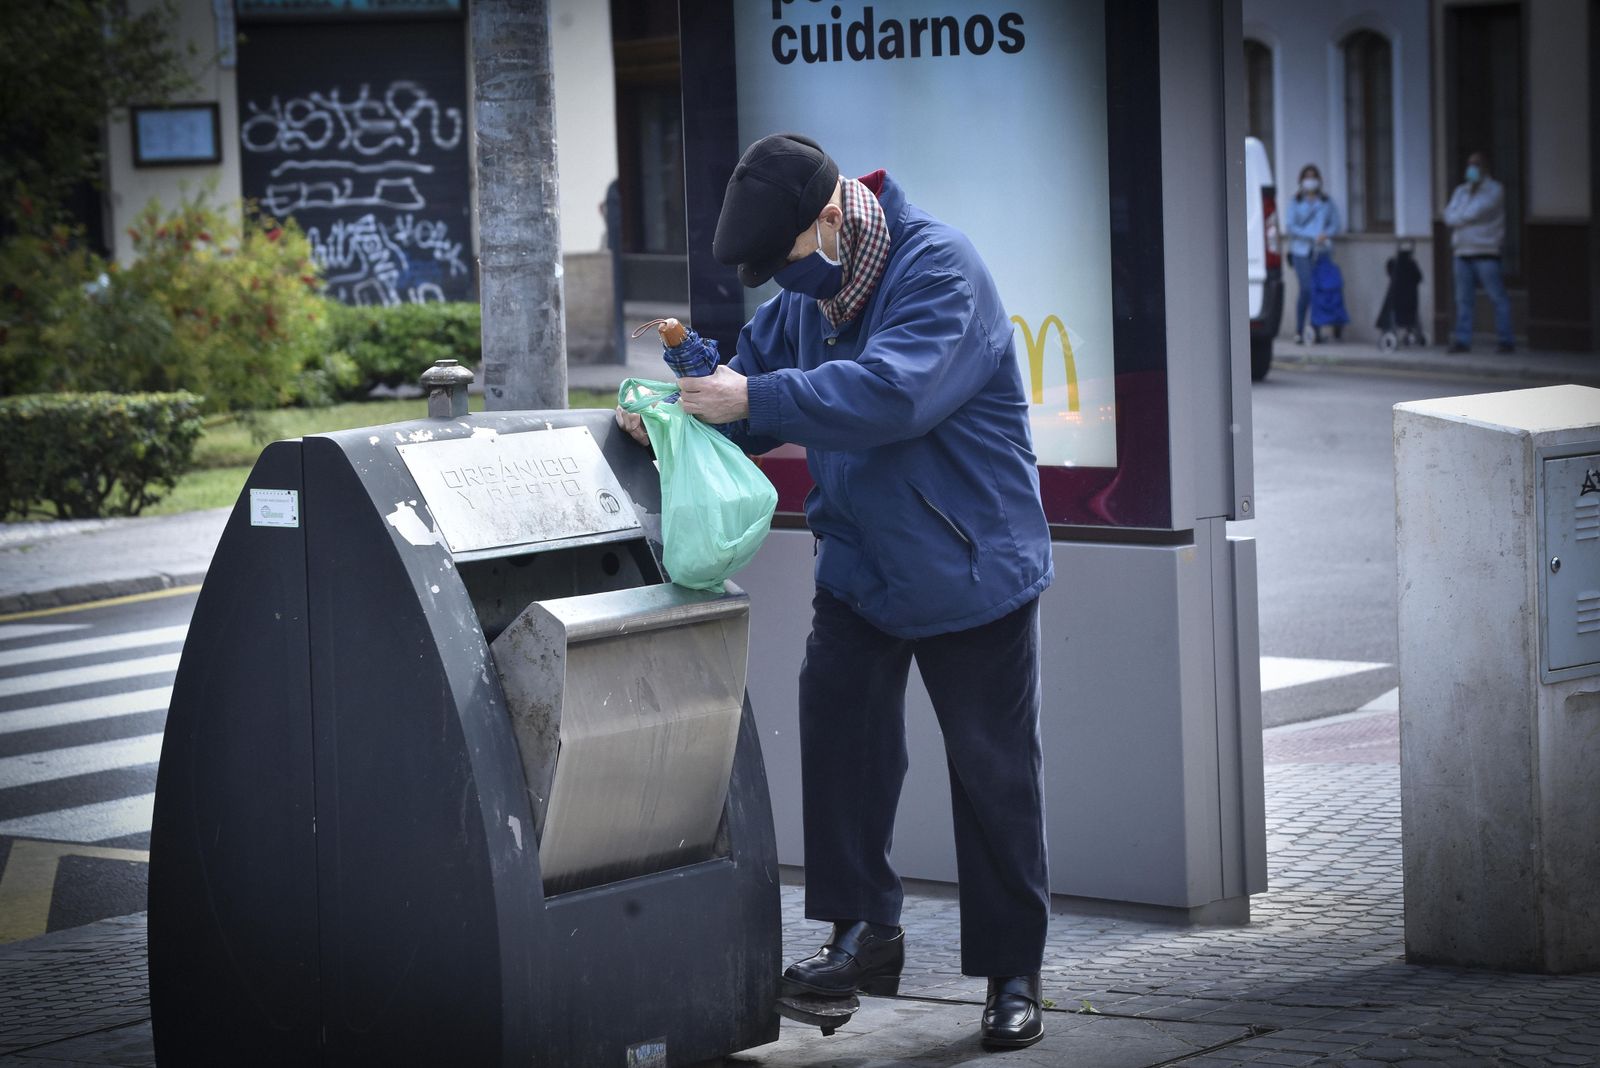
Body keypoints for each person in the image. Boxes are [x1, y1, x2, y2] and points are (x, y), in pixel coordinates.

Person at [615, 133, 1053, 1050]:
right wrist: (676, 410)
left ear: (829, 219)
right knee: (842, 742)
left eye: (788, 264)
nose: (786, 286)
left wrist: (754, 401)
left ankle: (1014, 973)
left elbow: (893, 394)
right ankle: (863, 936)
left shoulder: (940, 268)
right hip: (860, 565)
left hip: (968, 562)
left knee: (992, 776)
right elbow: (753, 379)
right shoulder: (815, 287)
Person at [1444, 150, 1515, 354]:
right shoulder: (1462, 190)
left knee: (1497, 297)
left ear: (1485, 167)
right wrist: (1459, 216)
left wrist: (1459, 217)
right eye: (1469, 165)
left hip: (1486, 252)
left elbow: (1474, 213)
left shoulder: (1495, 190)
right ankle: (1462, 340)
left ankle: (1506, 340)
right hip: (1462, 252)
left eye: (1476, 165)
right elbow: (1449, 216)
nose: (1471, 169)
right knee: (1463, 300)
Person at [1285, 163, 1342, 344]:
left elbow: (1335, 224)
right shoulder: (1296, 202)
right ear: (1301, 181)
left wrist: (1326, 234)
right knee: (1306, 289)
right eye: (1307, 177)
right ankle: (1300, 330)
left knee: (1320, 290)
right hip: (1301, 251)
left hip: (1321, 251)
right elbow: (1290, 226)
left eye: (1313, 177)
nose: (1310, 180)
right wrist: (1312, 236)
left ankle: (1315, 329)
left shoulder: (1326, 201)